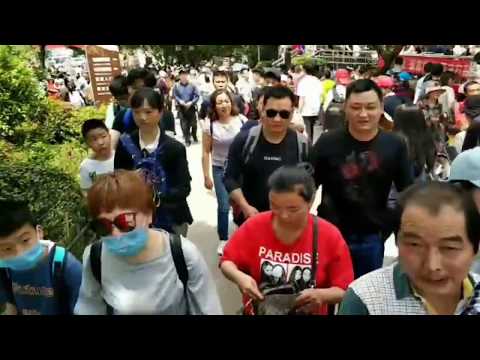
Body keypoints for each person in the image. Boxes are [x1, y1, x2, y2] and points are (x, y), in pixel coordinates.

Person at [74, 170, 222, 315]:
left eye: (125, 221)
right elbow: (89, 307)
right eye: (103, 226)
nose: (115, 234)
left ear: (149, 213)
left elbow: (207, 308)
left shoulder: (182, 254)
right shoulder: (95, 257)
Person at [311, 79, 414, 279]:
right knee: (324, 297)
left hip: (372, 236)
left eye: (370, 107)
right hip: (330, 234)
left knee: (364, 297)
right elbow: (308, 186)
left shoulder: (395, 144)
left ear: (381, 108)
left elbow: (407, 191)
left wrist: (397, 227)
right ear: (346, 109)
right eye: (356, 107)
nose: (363, 114)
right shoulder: (327, 142)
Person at [220, 166, 354, 315]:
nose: (283, 216)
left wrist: (321, 295)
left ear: (310, 203)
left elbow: (344, 289)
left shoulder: (329, 236)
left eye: (293, 209)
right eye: (275, 207)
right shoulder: (254, 226)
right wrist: (240, 278)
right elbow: (227, 261)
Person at [338, 182, 480, 315]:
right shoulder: (366, 299)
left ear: (475, 249)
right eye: (415, 245)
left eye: (449, 248)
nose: (432, 266)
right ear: (397, 242)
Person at [224, 86, 311, 227]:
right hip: (250, 220)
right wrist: (245, 206)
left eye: (284, 114)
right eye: (271, 113)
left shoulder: (302, 144)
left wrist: (302, 212)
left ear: (292, 113)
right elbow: (230, 177)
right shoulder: (245, 140)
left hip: (288, 223)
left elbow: (310, 184)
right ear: (262, 110)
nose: (277, 119)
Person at [114, 88, 193, 237]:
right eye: (136, 112)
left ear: (160, 112)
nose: (142, 117)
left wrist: (156, 198)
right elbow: (117, 181)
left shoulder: (174, 148)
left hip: (173, 218)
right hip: (135, 221)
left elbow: (184, 188)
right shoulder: (125, 144)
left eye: (148, 112)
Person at [0, 200, 82, 315]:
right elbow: (10, 306)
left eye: (25, 240)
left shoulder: (67, 267)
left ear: (39, 232)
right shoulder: (4, 270)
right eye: (7, 249)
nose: (19, 253)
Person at [201, 89, 247, 255]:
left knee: (242, 204)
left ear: (231, 102)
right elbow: (206, 152)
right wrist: (206, 176)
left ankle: (244, 234)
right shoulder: (210, 125)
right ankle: (223, 238)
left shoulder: (242, 120)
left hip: (240, 169)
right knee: (223, 204)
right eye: (219, 102)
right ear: (214, 106)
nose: (223, 105)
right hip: (220, 168)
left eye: (226, 101)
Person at [110, 68, 158, 149]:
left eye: (143, 89)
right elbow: (111, 147)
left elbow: (169, 150)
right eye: (134, 88)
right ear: (128, 89)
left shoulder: (165, 115)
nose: (139, 93)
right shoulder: (122, 116)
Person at [79, 119, 115, 195]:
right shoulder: (86, 166)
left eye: (103, 136)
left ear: (109, 136)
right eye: (94, 139)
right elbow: (86, 192)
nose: (100, 142)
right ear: (87, 143)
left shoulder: (122, 156)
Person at [173, 69, 200, 147]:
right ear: (179, 76)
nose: (183, 76)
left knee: (194, 124)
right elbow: (175, 95)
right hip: (182, 108)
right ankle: (187, 139)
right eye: (181, 75)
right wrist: (180, 101)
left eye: (185, 74)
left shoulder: (192, 85)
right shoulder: (176, 86)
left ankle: (194, 135)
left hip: (191, 107)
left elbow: (197, 95)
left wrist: (191, 102)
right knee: (184, 125)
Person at [297, 63, 323, 142]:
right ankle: (310, 145)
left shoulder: (303, 82)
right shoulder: (317, 81)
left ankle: (308, 148)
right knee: (311, 130)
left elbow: (302, 98)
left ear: (304, 70)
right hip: (315, 108)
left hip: (306, 110)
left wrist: (299, 111)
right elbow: (320, 94)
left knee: (307, 131)